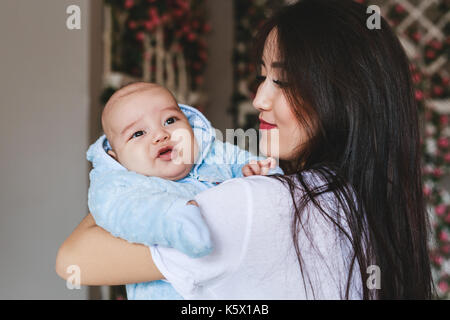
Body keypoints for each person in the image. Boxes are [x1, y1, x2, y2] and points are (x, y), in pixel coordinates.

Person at [56, 0, 433, 299]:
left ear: (342, 97)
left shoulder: (261, 204)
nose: (258, 99)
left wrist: (116, 171)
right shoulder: (362, 207)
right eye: (261, 76)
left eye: (281, 81)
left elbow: (73, 259)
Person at [85, 82, 280, 299]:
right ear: (117, 158)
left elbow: (272, 185)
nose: (160, 134)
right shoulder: (124, 187)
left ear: (190, 124)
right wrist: (175, 218)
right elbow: (128, 211)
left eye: (170, 120)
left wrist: (254, 173)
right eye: (138, 133)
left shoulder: (213, 153)